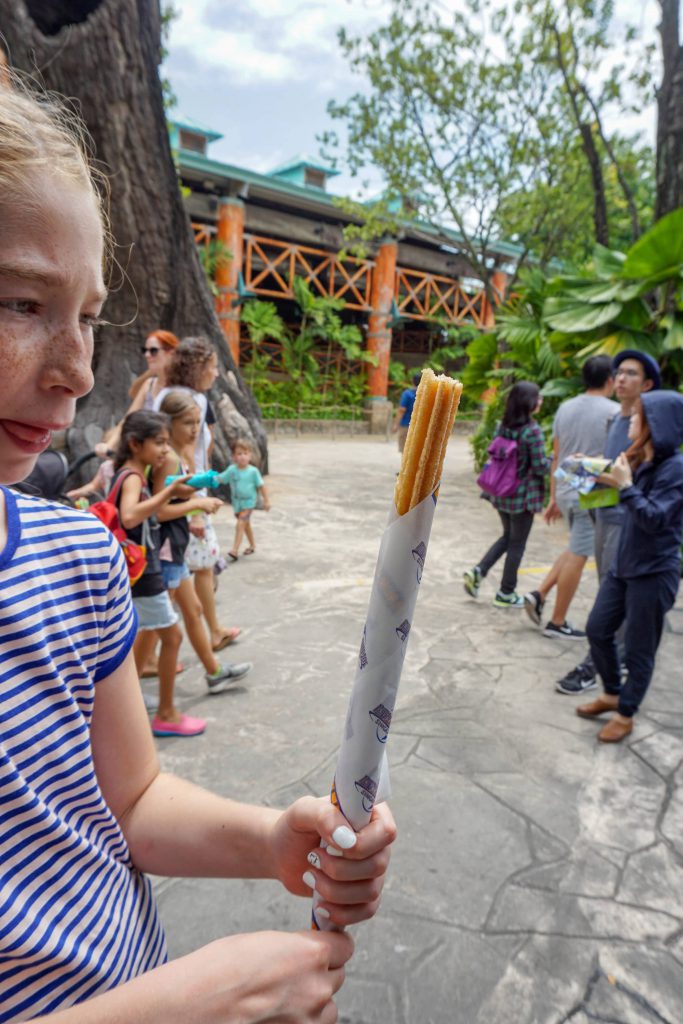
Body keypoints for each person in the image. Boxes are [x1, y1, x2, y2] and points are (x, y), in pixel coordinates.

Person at [0, 73, 394, 1021]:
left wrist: (270, 839)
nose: (77, 372)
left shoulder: (70, 559)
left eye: (89, 316)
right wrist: (189, 1007)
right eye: (20, 304)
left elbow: (126, 804)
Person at [576, 390, 683, 742]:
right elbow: (614, 484)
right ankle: (611, 692)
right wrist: (585, 467)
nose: (631, 421)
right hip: (624, 566)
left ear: (656, 424)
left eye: (638, 416)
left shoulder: (676, 469)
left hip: (653, 573)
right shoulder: (642, 459)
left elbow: (654, 518)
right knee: (597, 629)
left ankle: (626, 711)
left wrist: (625, 485)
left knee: (639, 649)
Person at [555, 350, 661, 694]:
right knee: (608, 589)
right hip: (602, 511)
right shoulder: (616, 420)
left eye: (630, 373)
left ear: (646, 384)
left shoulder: (650, 426)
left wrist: (596, 468)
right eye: (618, 372)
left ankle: (593, 666)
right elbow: (615, 464)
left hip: (625, 519)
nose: (620, 378)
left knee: (611, 598)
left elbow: (637, 474)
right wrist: (589, 462)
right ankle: (618, 655)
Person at [112, 410, 207, 737]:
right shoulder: (134, 477)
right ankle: (166, 713)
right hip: (144, 568)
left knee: (146, 634)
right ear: (135, 444)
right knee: (172, 635)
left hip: (137, 567)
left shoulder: (126, 471)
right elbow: (129, 515)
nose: (165, 451)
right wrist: (166, 494)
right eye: (159, 443)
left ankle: (125, 703)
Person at [155, 391, 253, 688]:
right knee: (158, 624)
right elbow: (160, 509)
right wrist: (197, 505)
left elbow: (175, 492)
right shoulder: (169, 457)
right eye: (188, 422)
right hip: (166, 547)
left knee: (189, 612)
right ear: (169, 423)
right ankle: (138, 689)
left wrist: (199, 486)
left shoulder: (178, 453)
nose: (195, 429)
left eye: (198, 422)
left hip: (176, 547)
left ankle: (214, 672)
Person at [155, 336, 241, 652]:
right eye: (213, 367)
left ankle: (208, 633)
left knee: (189, 571)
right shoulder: (194, 400)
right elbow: (187, 452)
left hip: (177, 492)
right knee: (187, 572)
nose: (216, 374)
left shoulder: (164, 392)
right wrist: (194, 506)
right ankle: (204, 636)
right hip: (189, 495)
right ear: (199, 367)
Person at [523, 355, 617, 638]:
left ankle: (539, 594)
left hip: (565, 487)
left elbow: (557, 455)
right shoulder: (615, 412)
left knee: (575, 547)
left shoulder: (565, 407)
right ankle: (557, 622)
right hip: (592, 493)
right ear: (610, 380)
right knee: (579, 554)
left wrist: (554, 497)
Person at [464, 381, 551, 607]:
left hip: (500, 493)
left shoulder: (502, 426)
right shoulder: (532, 430)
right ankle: (506, 593)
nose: (540, 401)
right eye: (538, 397)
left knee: (507, 537)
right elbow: (541, 467)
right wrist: (554, 462)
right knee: (517, 544)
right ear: (529, 402)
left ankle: (478, 571)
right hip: (522, 497)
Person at [95, 328, 179, 457]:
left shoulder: (180, 389)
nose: (147, 355)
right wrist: (109, 445)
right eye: (145, 350)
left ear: (171, 353)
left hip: (170, 455)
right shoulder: (149, 384)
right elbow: (127, 420)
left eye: (153, 351)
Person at [224, 437, 271, 560]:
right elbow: (221, 478)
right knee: (246, 525)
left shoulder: (253, 471)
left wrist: (266, 500)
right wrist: (209, 479)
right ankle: (252, 545)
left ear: (250, 455)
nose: (243, 456)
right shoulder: (231, 470)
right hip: (237, 503)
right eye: (239, 454)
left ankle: (235, 550)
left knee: (240, 524)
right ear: (234, 456)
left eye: (245, 453)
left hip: (249, 502)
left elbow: (261, 485)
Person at [391, 372, 421, 451]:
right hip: (419, 425)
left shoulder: (407, 394)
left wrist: (395, 424)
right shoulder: (423, 394)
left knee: (405, 450)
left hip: (406, 424)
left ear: (412, 381)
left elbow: (401, 410)